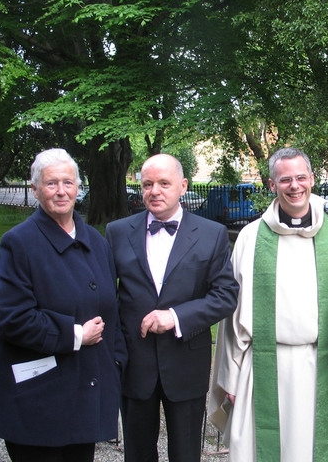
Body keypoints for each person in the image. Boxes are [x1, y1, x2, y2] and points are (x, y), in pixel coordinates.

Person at [208, 147, 328, 462]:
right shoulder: (251, 238)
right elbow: (233, 317)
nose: (295, 186)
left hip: (323, 365)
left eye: (301, 177)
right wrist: (231, 375)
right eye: (285, 179)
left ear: (312, 179)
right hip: (263, 366)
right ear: (271, 184)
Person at [0, 148, 127, 462]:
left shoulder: (97, 242)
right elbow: (13, 319)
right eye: (51, 184)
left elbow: (110, 310)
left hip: (84, 398)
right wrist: (76, 335)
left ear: (78, 187)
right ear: (35, 190)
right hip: (37, 401)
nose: (61, 191)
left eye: (68, 182)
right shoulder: (19, 243)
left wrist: (115, 363)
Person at [105, 154, 238, 462]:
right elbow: (103, 295)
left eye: (164, 183)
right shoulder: (117, 232)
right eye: (147, 184)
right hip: (135, 361)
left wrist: (176, 317)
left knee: (186, 454)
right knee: (137, 453)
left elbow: (226, 295)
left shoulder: (211, 233)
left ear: (183, 186)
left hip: (185, 361)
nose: (155, 191)